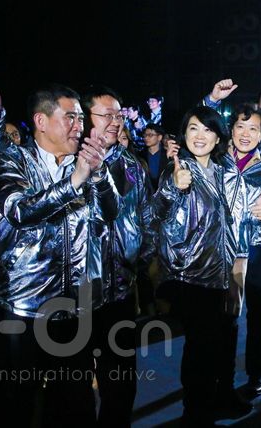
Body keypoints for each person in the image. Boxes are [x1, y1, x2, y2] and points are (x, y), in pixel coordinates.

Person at [0, 76, 119, 427]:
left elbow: (111, 212)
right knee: (18, 405)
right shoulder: (15, 160)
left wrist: (98, 174)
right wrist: (75, 181)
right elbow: (20, 210)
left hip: (73, 308)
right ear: (41, 121)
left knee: (76, 405)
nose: (79, 126)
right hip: (22, 310)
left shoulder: (82, 162)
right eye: (70, 117)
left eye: (81, 118)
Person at [154, 106, 248, 427]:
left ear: (218, 137)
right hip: (191, 277)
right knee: (199, 350)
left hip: (220, 274)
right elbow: (157, 212)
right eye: (193, 128)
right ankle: (195, 414)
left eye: (208, 130)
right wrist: (173, 188)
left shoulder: (220, 172)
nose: (200, 136)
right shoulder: (179, 170)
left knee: (217, 344)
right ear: (184, 134)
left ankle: (211, 405)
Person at [202, 81, 261, 395]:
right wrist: (212, 100)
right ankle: (219, 378)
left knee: (259, 312)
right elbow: (201, 128)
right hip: (224, 243)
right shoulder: (224, 151)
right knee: (222, 313)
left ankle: (256, 373)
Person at [81, 84, 156, 427]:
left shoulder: (133, 166)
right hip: (80, 294)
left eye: (118, 115)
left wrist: (138, 260)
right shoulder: (72, 163)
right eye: (106, 115)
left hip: (122, 290)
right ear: (86, 118)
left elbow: (148, 219)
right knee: (77, 385)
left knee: (121, 383)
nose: (115, 122)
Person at [141, 123, 166, 191]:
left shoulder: (167, 155)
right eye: (145, 135)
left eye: (150, 135)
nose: (146, 138)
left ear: (159, 137)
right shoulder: (140, 155)